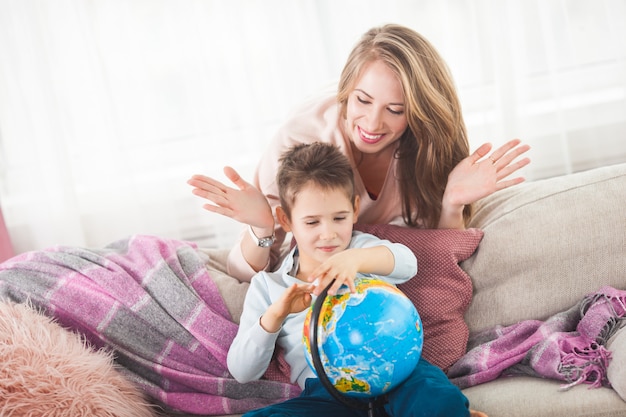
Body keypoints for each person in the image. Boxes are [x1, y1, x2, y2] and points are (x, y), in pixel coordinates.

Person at [187, 23, 531, 283]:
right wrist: (263, 229)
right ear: (346, 90)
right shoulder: (300, 137)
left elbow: (436, 260)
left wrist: (451, 203)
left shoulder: (423, 147)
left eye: (395, 110)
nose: (372, 122)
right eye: (362, 101)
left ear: (418, 113)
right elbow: (245, 275)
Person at [227, 141, 473, 416]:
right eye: (312, 222)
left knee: (438, 399)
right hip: (328, 393)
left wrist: (354, 260)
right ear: (285, 219)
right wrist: (276, 314)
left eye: (339, 218)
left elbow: (408, 263)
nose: (328, 233)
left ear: (355, 209)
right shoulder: (269, 286)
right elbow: (242, 371)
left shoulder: (362, 248)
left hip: (400, 373)